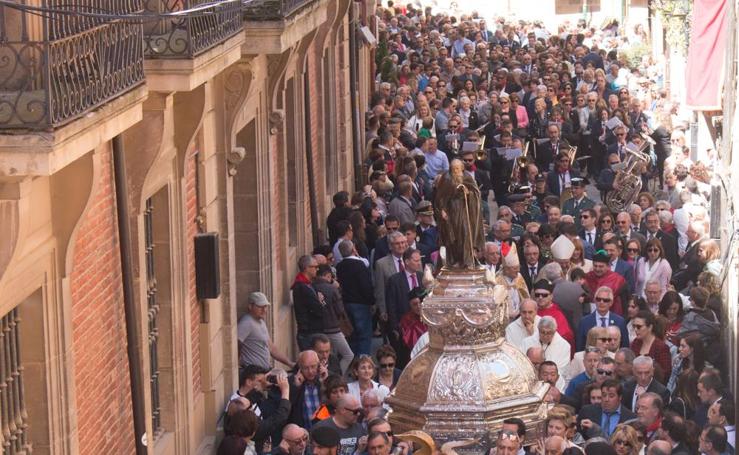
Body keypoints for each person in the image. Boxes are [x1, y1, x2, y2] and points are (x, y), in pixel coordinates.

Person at [433, 159, 485, 268]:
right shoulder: (446, 178)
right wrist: (442, 209)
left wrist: (468, 193)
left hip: (465, 211)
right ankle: (454, 259)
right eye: (453, 169)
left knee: (465, 233)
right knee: (452, 236)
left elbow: (476, 193)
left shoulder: (467, 177)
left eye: (457, 168)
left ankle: (466, 260)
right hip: (451, 211)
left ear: (462, 168)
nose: (456, 171)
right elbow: (440, 197)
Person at [312, 267, 354, 375]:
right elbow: (340, 310)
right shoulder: (332, 289)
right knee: (348, 354)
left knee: (326, 355)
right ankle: (336, 375)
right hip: (333, 327)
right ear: (328, 276)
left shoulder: (312, 287)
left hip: (318, 327)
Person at [336, 240, 375, 356]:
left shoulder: (340, 266)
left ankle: (353, 362)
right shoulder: (360, 265)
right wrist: (372, 301)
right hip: (361, 304)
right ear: (353, 249)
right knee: (364, 335)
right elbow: (366, 286)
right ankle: (362, 361)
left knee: (352, 335)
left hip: (347, 303)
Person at [238, 291, 294, 371]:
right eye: (260, 307)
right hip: (253, 373)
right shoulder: (246, 322)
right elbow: (237, 342)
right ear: (250, 306)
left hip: (264, 370)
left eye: (265, 307)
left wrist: (290, 363)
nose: (264, 310)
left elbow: (272, 348)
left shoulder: (261, 321)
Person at [575, 286, 629, 351]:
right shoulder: (584, 322)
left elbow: (625, 347)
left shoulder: (620, 322)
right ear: (594, 301)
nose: (601, 302)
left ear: (611, 303)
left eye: (605, 300)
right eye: (598, 299)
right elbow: (580, 347)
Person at [532, 279, 575, 348]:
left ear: (551, 296)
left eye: (544, 295)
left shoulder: (559, 313)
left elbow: (566, 337)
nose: (540, 297)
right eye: (537, 295)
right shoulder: (531, 311)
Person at [629, 311, 671, 382]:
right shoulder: (635, 343)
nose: (635, 330)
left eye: (639, 327)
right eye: (634, 326)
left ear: (650, 327)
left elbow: (665, 373)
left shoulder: (661, 347)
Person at [584, 251, 626, 316]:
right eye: (595, 266)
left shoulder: (617, 279)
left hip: (612, 314)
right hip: (591, 313)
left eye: (601, 266)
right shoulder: (588, 276)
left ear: (608, 266)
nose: (597, 269)